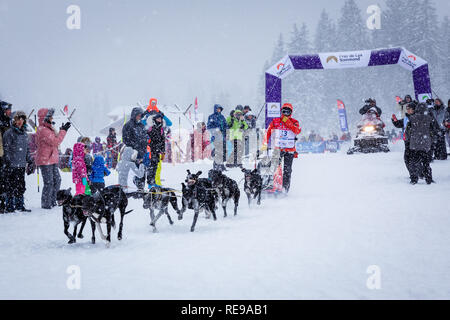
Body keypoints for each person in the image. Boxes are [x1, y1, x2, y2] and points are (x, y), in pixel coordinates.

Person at [261, 103, 301, 193]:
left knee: (287, 171)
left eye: (288, 111)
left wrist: (286, 121)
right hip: (278, 149)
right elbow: (268, 132)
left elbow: (297, 131)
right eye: (284, 111)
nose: (286, 113)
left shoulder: (295, 122)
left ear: (291, 112)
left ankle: (285, 189)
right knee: (274, 168)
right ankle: (274, 186)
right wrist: (264, 144)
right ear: (281, 111)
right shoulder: (275, 121)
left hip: (290, 150)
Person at [35, 108, 70, 209]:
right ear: (45, 118)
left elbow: (55, 140)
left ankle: (53, 200)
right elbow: (55, 142)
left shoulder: (49, 129)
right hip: (45, 160)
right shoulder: (42, 130)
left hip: (52, 158)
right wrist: (63, 131)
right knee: (49, 182)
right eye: (50, 116)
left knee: (57, 180)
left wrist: (62, 130)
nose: (52, 118)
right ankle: (46, 203)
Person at [2, 111, 33, 212]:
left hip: (21, 165)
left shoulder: (24, 134)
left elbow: (27, 149)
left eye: (22, 119)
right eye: (18, 119)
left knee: (20, 186)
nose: (20, 121)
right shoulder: (9, 133)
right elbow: (6, 149)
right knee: (10, 187)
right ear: (14, 120)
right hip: (11, 165)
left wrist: (30, 160)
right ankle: (9, 206)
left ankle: (20, 205)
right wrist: (8, 161)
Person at [407, 103, 441, 184]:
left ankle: (414, 179)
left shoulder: (412, 118)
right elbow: (435, 130)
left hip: (414, 144)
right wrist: (431, 139)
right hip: (426, 144)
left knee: (414, 162)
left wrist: (410, 139)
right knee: (426, 162)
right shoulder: (430, 118)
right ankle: (428, 178)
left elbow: (408, 132)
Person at [144, 113, 166, 188]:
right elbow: (147, 138)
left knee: (155, 167)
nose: (159, 120)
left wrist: (163, 151)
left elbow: (163, 141)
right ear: (155, 119)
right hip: (151, 151)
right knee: (151, 167)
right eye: (158, 119)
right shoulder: (151, 128)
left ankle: (153, 182)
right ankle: (150, 183)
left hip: (157, 151)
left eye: (160, 119)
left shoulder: (161, 129)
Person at [207, 104, 227, 171]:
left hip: (222, 137)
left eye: (220, 109)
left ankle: (221, 165)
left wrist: (226, 131)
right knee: (216, 152)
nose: (219, 110)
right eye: (218, 109)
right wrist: (216, 129)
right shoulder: (211, 117)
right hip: (215, 137)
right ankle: (216, 166)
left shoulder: (222, 117)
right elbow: (209, 127)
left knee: (222, 151)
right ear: (215, 109)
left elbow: (225, 125)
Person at [0, 101, 13, 213]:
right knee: (2, 180)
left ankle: (4, 204)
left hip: (7, 156)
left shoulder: (8, 123)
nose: (10, 112)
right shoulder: (2, 124)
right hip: (2, 156)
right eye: (8, 110)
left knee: (6, 181)